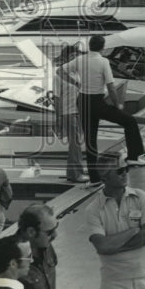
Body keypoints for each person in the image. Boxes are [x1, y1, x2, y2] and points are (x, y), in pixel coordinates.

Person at [58, 35, 145, 184]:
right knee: (130, 121)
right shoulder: (103, 61)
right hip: (97, 102)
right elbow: (111, 87)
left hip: (82, 102)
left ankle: (94, 179)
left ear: (90, 45)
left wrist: (75, 82)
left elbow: (59, 71)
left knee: (90, 140)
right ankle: (133, 157)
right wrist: (118, 104)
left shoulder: (80, 59)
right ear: (102, 47)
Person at [85, 153, 145, 289]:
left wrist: (114, 246)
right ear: (105, 176)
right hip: (115, 283)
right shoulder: (93, 210)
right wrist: (133, 231)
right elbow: (102, 247)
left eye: (126, 169)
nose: (125, 173)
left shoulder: (140, 197)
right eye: (120, 170)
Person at [16, 205, 59, 289]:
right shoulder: (11, 261)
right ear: (31, 232)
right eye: (50, 232)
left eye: (56, 227)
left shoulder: (46, 246)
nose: (55, 235)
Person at [52, 43, 87, 184]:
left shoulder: (77, 73)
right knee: (75, 144)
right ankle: (77, 174)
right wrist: (59, 117)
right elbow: (56, 97)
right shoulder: (59, 75)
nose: (74, 58)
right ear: (66, 58)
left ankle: (72, 173)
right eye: (72, 56)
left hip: (78, 111)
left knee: (76, 143)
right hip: (68, 112)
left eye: (76, 55)